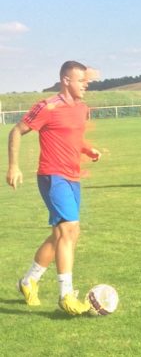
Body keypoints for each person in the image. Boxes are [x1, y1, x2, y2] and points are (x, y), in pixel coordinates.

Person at [6, 61, 102, 315]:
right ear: (66, 81)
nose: (86, 85)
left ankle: (29, 281)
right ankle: (66, 295)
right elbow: (16, 131)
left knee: (64, 233)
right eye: (82, 81)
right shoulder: (47, 106)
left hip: (73, 177)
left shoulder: (81, 108)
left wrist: (87, 149)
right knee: (68, 229)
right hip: (52, 176)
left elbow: (72, 136)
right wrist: (13, 166)